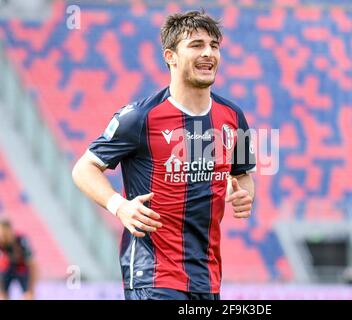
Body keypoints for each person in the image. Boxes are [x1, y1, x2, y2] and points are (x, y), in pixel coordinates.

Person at [72, 10, 256, 300]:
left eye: (214, 46)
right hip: (153, 275)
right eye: (196, 45)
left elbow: (243, 176)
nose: (208, 53)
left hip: (207, 278)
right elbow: (84, 169)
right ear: (170, 56)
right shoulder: (139, 117)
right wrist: (119, 206)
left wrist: (245, 194)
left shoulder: (234, 117)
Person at [0, 218, 37, 300]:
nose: (3, 237)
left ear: (10, 231)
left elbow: (33, 265)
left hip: (22, 269)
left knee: (29, 296)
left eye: (5, 234)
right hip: (6, 269)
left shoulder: (21, 241)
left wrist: (31, 289)